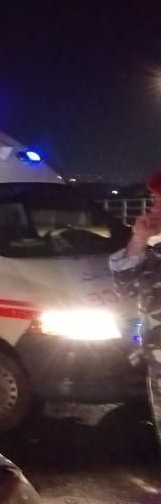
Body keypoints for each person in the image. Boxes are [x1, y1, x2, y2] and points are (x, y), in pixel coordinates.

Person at [111, 173, 161, 429]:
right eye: (154, 200)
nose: (153, 207)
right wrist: (139, 240)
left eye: (159, 200)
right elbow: (126, 288)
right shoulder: (154, 251)